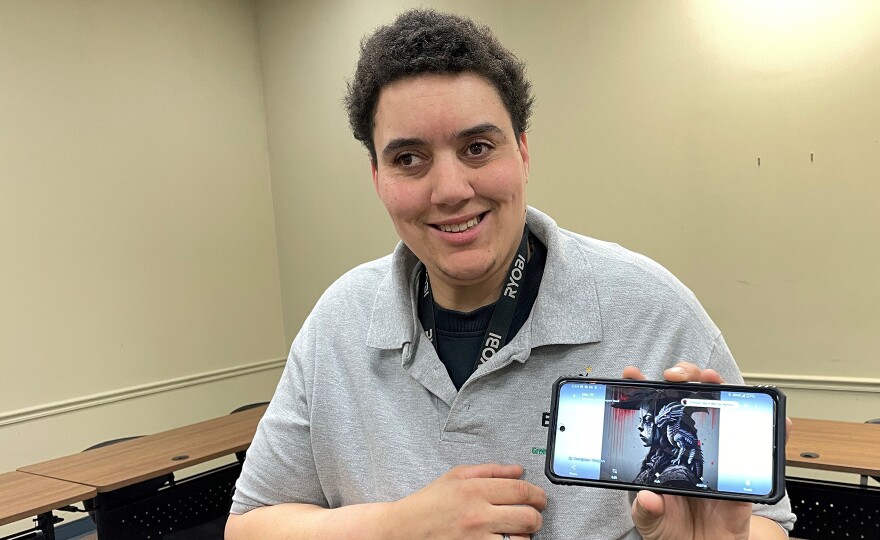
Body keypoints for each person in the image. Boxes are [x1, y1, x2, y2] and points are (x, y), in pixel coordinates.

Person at [226, 9, 795, 539]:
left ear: (522, 152)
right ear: (376, 177)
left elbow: (764, 524)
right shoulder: (337, 321)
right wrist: (396, 526)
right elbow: (249, 522)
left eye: (477, 147)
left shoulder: (650, 308)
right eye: (408, 159)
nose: (450, 190)